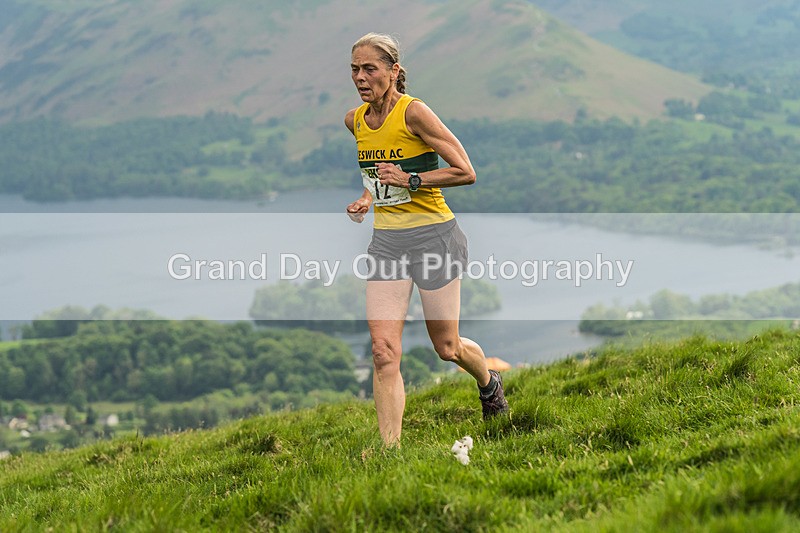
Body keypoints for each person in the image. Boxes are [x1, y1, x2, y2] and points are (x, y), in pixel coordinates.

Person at [344, 32, 509, 446]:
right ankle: (389, 453)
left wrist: (411, 179)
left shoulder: (414, 113)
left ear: (394, 71)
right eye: (354, 70)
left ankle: (489, 383)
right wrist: (368, 197)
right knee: (383, 351)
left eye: (370, 69)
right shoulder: (355, 121)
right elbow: (376, 170)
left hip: (435, 238)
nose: (360, 77)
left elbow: (465, 170)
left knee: (448, 347)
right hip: (387, 244)